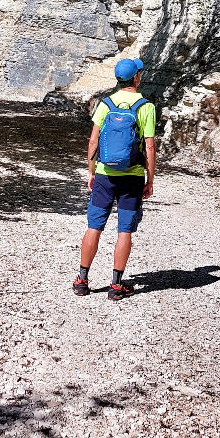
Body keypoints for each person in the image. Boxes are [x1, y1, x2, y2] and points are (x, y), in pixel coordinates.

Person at [73, 57, 156, 301]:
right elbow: (149, 147)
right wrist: (149, 180)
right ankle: (116, 285)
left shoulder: (105, 104)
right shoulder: (145, 106)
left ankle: (82, 280)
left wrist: (91, 170)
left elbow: (93, 141)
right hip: (131, 178)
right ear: (136, 77)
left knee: (94, 227)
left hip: (104, 175)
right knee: (124, 231)